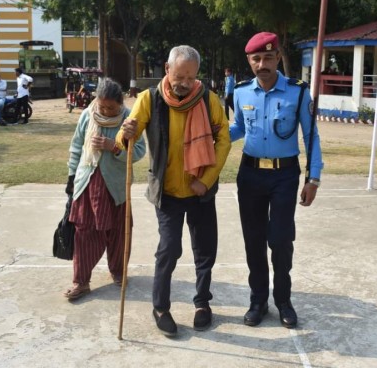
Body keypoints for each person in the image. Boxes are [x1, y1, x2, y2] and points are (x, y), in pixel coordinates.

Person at [117, 45, 231, 337]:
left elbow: (224, 142)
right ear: (167, 70)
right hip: (166, 193)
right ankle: (160, 307)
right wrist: (124, 134)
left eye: (190, 77)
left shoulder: (209, 100)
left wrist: (205, 180)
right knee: (169, 250)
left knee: (204, 250)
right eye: (178, 75)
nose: (183, 83)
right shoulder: (149, 99)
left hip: (200, 192)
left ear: (196, 76)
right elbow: (126, 138)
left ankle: (202, 304)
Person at [229, 32, 323, 329]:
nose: (262, 64)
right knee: (253, 239)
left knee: (280, 239)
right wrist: (211, 132)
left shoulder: (297, 92)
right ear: (249, 61)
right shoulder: (241, 92)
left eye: (268, 58)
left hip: (285, 174)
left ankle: (283, 299)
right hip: (250, 174)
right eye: (256, 59)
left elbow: (311, 136)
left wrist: (314, 178)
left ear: (278, 58)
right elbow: (237, 129)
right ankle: (258, 300)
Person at [64, 78, 146, 301]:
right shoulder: (87, 115)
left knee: (120, 232)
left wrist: (114, 147)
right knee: (85, 233)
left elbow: (139, 152)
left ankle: (118, 271)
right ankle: (81, 281)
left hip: (116, 189)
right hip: (87, 185)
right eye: (102, 106)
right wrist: (71, 179)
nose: (106, 111)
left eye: (111, 107)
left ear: (120, 103)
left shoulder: (129, 120)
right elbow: (76, 148)